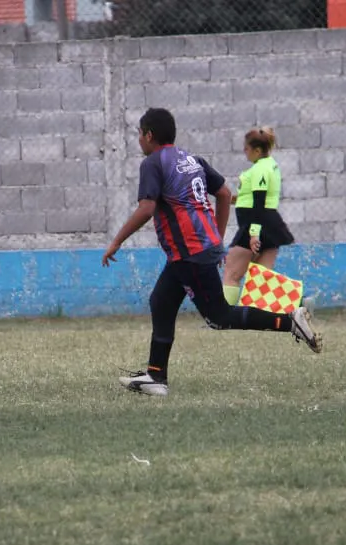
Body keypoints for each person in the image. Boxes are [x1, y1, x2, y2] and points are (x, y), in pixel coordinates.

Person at [101, 108, 322, 397]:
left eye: (140, 134)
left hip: (189, 252)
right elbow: (224, 193)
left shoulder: (153, 163)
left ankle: (290, 321)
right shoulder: (192, 159)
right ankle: (156, 376)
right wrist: (215, 237)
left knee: (219, 316)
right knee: (161, 301)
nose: (139, 140)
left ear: (149, 135)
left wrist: (116, 241)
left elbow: (147, 208)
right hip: (195, 250)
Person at [222, 126, 296, 306]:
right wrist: (229, 200)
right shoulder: (269, 164)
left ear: (257, 150)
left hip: (256, 224)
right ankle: (298, 303)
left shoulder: (260, 169)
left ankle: (223, 319)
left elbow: (259, 204)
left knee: (232, 271)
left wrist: (254, 233)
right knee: (261, 279)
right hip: (270, 225)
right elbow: (253, 198)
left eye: (247, 148)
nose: (244, 152)